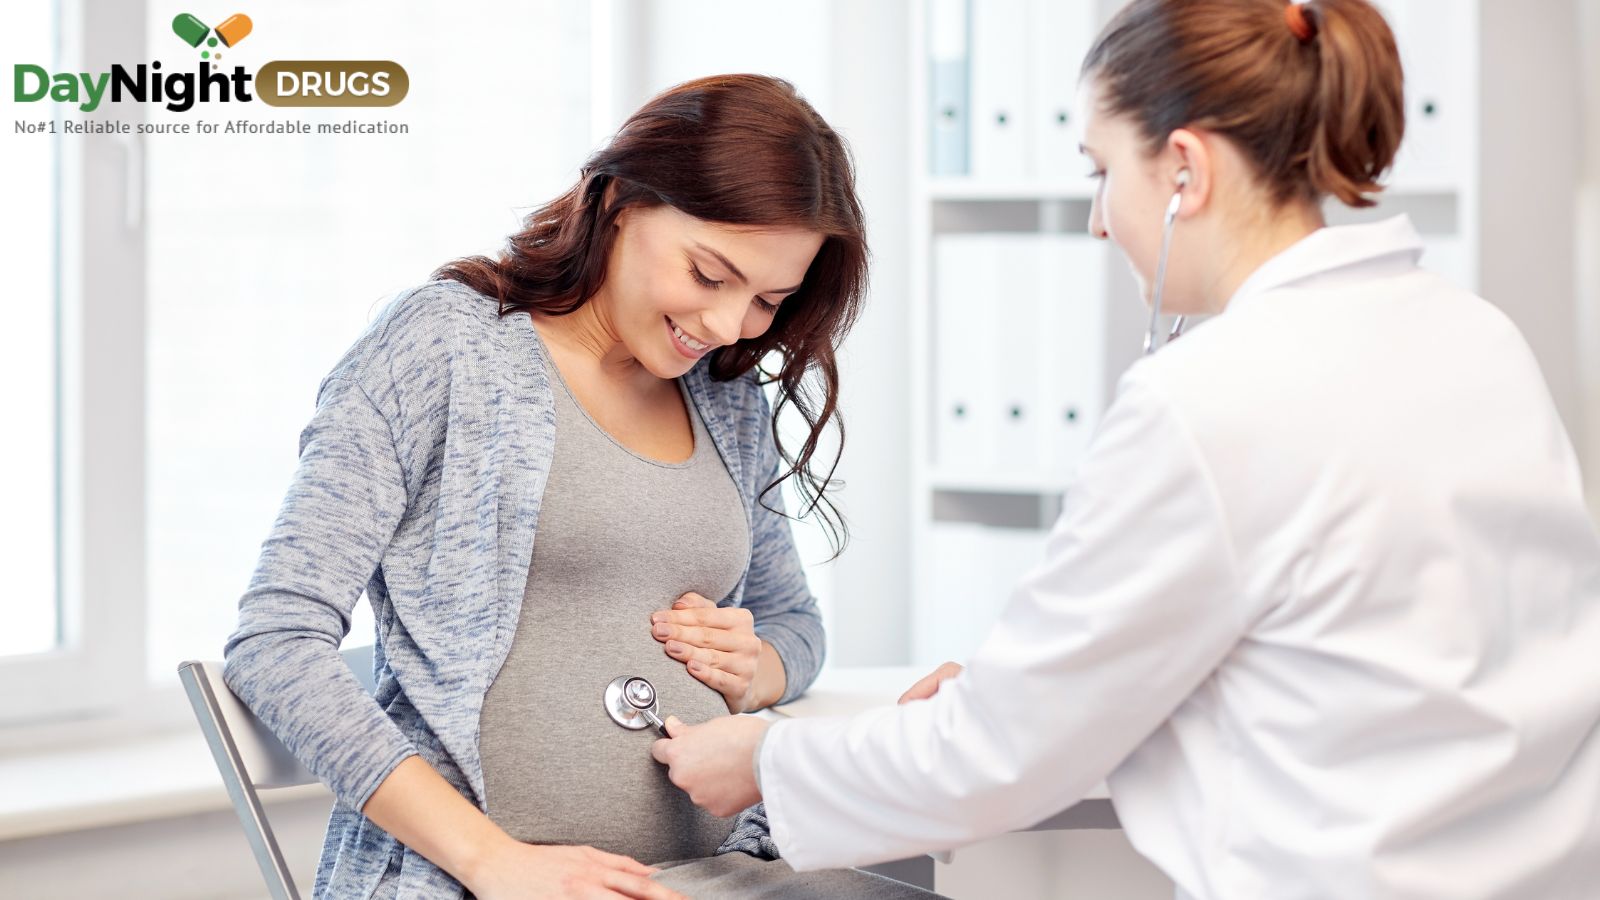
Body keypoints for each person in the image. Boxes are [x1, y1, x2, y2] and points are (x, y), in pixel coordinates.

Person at [652, 3, 1600, 897]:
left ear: (1184, 169)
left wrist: (767, 763)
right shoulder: (1476, 338)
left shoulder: (1212, 399)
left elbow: (1000, 757)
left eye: (1102, 170)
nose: (1100, 218)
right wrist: (1051, 682)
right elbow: (1378, 654)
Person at [223, 74, 935, 899]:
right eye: (709, 275)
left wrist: (757, 666)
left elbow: (794, 624)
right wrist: (493, 862)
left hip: (727, 871)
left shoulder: (727, 400)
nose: (727, 326)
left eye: (767, 300)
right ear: (623, 201)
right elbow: (274, 645)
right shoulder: (447, 349)